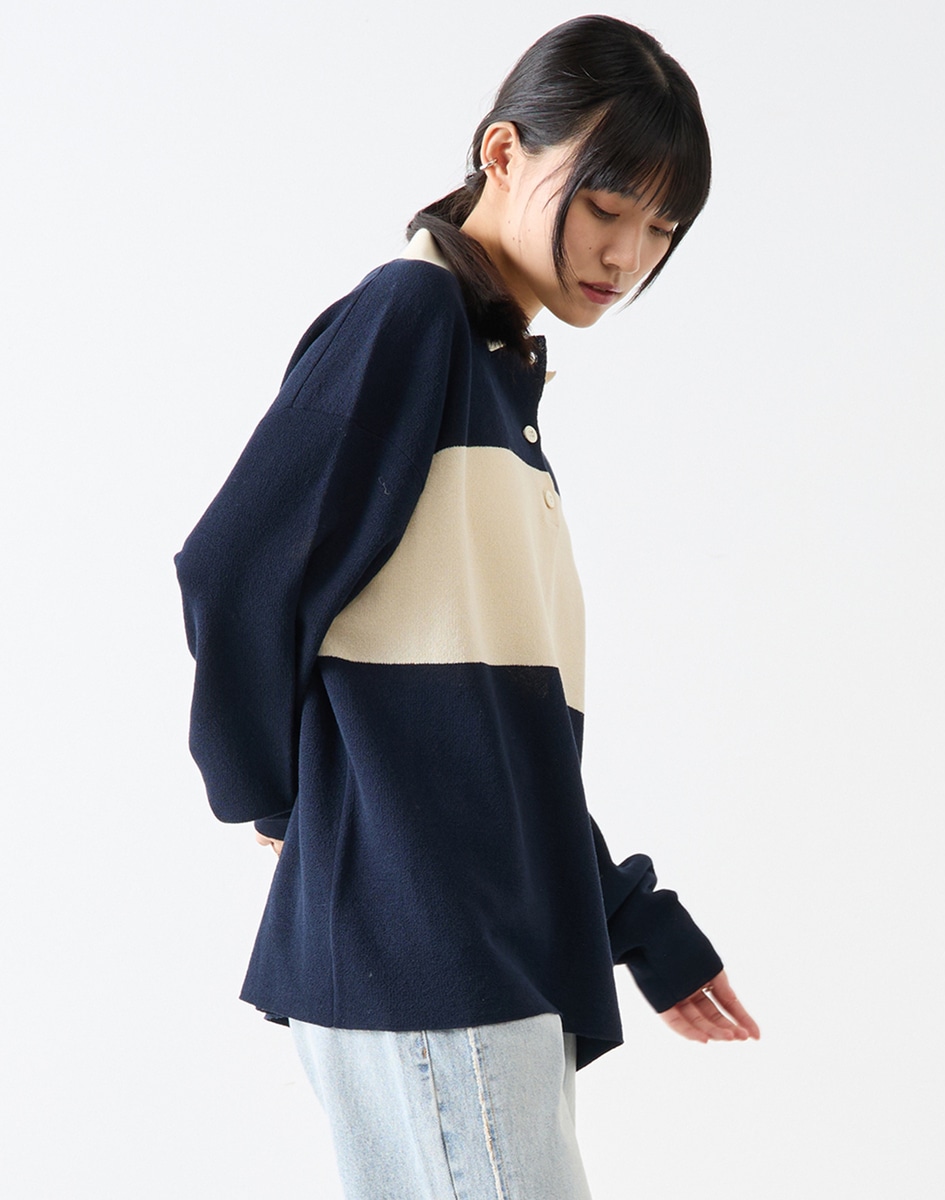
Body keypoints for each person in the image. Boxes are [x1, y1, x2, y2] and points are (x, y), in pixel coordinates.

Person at [175, 14, 759, 1199]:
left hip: (468, 947)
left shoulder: (489, 387)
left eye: (660, 230)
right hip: (434, 951)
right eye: (607, 208)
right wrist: (277, 795)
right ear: (503, 152)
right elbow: (233, 564)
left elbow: (493, 747)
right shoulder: (411, 322)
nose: (625, 256)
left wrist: (634, 920)